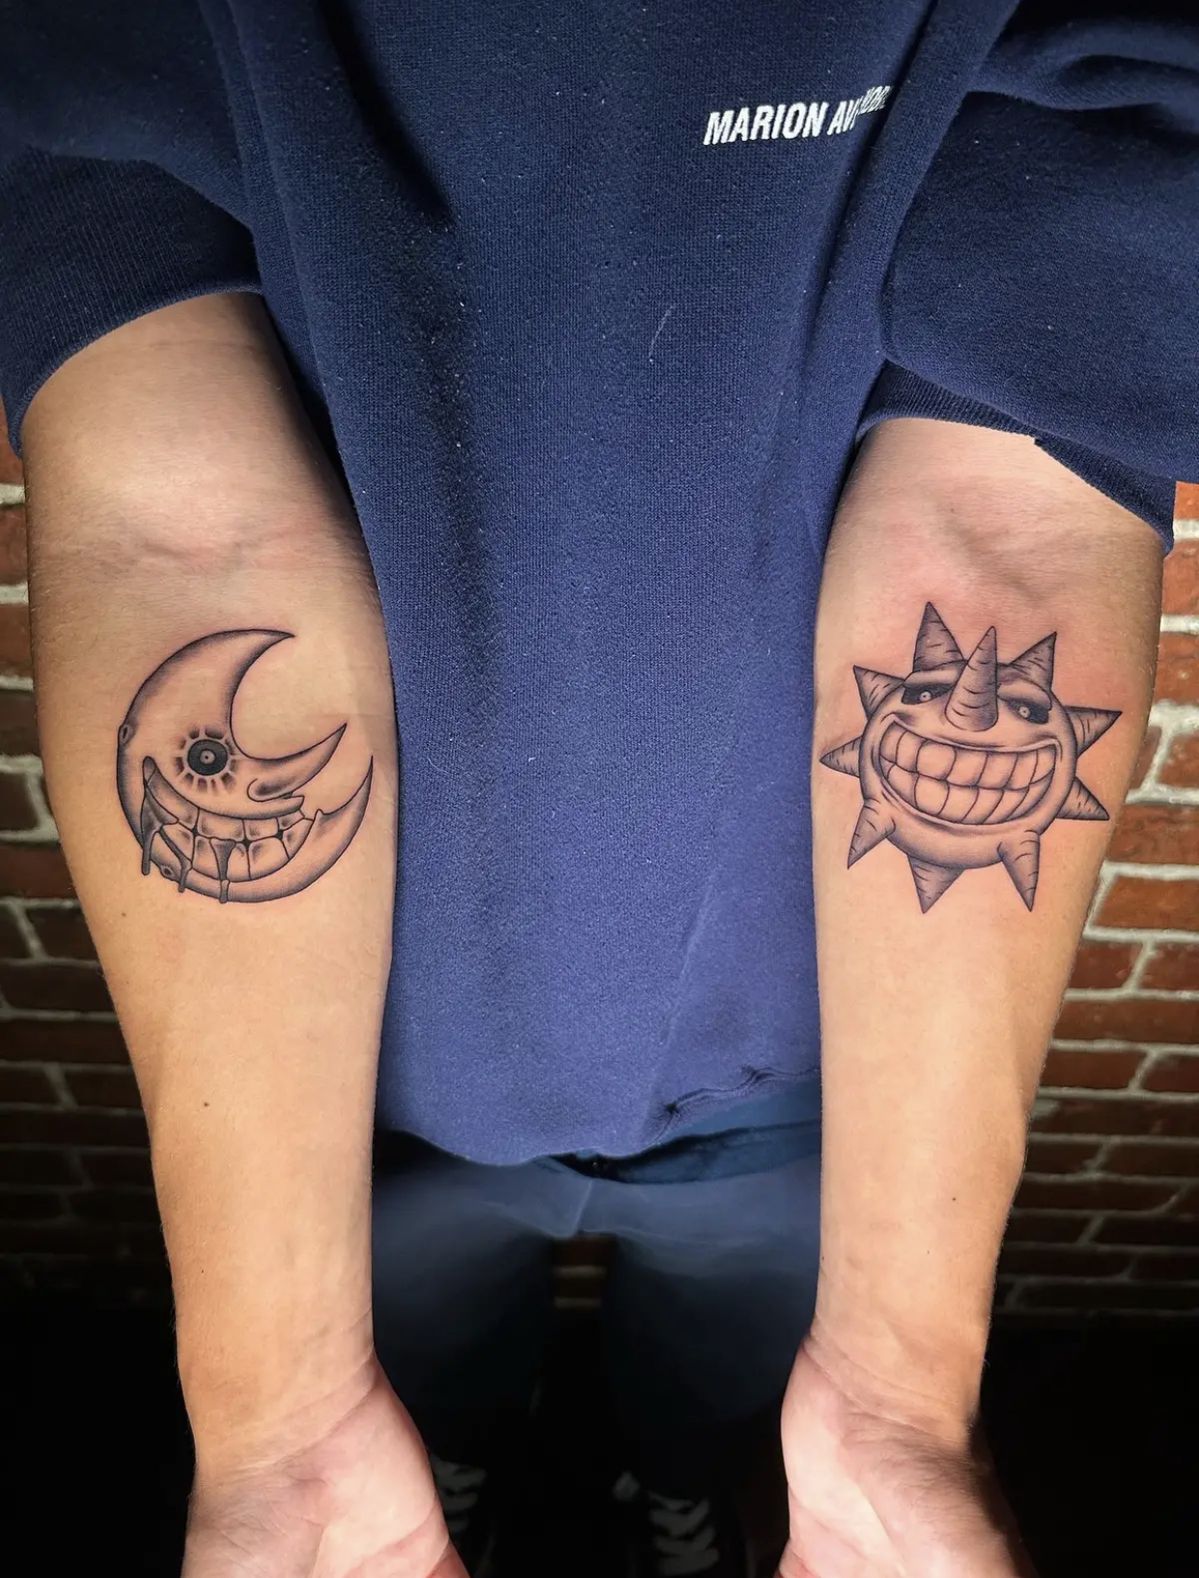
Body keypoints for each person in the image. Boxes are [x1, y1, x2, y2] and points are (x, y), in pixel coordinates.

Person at [1, 2, 1193, 1574]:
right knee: (430, 1381)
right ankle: (455, 1476)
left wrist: (900, 1394)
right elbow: (187, 541)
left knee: (712, 1389)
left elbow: (999, 536)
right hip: (342, 1055)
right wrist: (279, 1414)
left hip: (830, 1044)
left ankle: (675, 1487)